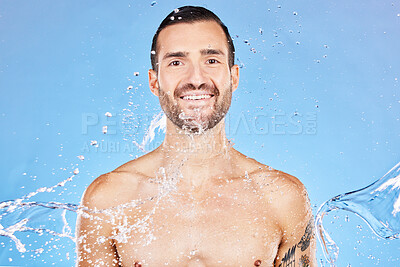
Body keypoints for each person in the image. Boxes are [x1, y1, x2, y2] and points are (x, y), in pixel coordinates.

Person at [76, 6, 316, 267]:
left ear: (233, 77)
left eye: (211, 60)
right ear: (154, 81)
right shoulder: (110, 199)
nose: (196, 78)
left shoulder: (281, 197)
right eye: (176, 62)